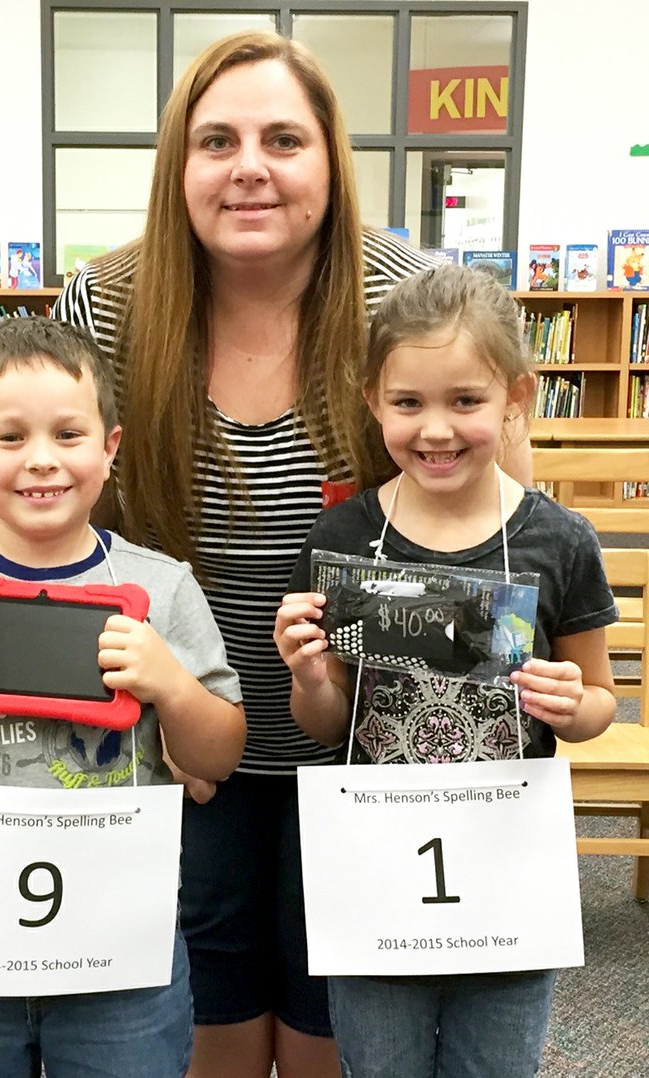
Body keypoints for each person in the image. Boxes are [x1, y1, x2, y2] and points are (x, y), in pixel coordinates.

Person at [53, 31, 532, 1078]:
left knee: (332, 1031)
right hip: (181, 749)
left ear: (329, 162)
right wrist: (152, 710)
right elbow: (61, 523)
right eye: (215, 140)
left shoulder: (408, 297)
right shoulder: (107, 308)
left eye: (283, 138)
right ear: (179, 163)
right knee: (208, 1017)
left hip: (368, 747)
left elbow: (499, 532)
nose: (249, 168)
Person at [0, 316, 246, 1078]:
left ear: (110, 448)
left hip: (120, 953)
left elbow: (219, 755)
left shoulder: (163, 589)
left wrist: (168, 681)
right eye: (9, 438)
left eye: (68, 434)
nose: (41, 461)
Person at [274, 262, 618, 1078]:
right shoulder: (341, 542)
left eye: (466, 401)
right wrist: (312, 677)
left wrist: (574, 707)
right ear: (373, 402)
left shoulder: (558, 541)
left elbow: (601, 699)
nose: (436, 429)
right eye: (408, 403)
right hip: (376, 870)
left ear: (515, 397)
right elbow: (326, 724)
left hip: (506, 867)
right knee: (379, 1065)